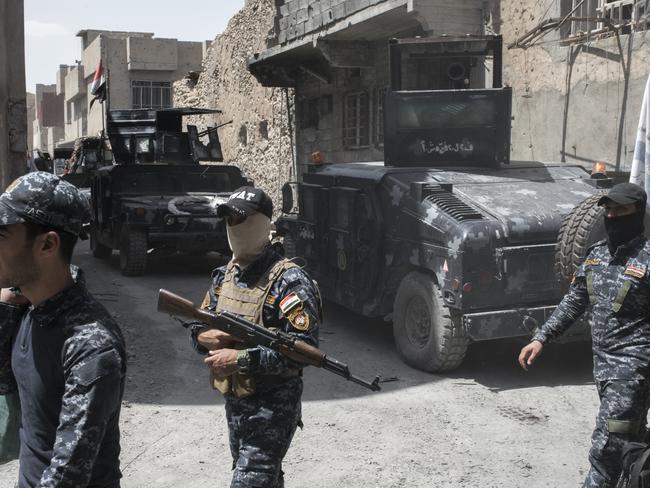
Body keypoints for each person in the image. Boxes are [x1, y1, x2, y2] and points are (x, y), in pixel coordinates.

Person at [518, 182, 650, 488]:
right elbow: (575, 300)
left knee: (606, 450)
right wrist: (542, 337)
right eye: (610, 210)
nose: (613, 216)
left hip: (632, 372)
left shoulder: (646, 257)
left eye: (622, 210)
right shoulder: (596, 255)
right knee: (632, 440)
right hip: (603, 369)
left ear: (638, 213)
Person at [188, 186, 321, 488]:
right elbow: (197, 327)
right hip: (236, 405)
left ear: (264, 225)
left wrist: (241, 358)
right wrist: (203, 339)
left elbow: (303, 351)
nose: (234, 228)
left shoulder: (289, 280)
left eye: (242, 220)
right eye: (229, 220)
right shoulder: (225, 277)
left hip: (272, 408)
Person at [0, 172, 126, 487]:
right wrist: (6, 305)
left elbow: (67, 476)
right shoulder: (30, 308)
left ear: (47, 244)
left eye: (2, 234)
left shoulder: (91, 346)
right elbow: (4, 382)